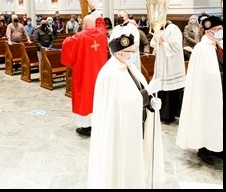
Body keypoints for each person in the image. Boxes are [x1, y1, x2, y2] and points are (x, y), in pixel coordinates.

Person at [87, 34, 165, 188]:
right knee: (122, 163)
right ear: (120, 53)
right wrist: (148, 92)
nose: (134, 54)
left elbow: (137, 91)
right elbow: (124, 104)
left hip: (135, 123)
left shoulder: (128, 66)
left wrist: (151, 102)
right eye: (131, 51)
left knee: (133, 162)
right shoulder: (110, 73)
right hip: (119, 130)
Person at [176, 15, 223, 165]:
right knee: (206, 117)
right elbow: (199, 76)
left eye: (221, 29)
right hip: (206, 93)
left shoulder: (219, 45)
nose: (219, 32)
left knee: (218, 119)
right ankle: (204, 149)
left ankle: (217, 147)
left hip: (220, 89)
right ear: (208, 31)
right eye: (215, 30)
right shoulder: (201, 49)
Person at [61, 13, 108, 137]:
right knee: (98, 97)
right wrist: (93, 10)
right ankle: (98, 123)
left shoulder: (79, 37)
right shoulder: (101, 34)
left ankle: (86, 127)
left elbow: (66, 44)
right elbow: (101, 23)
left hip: (84, 74)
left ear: (84, 24)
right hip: (99, 75)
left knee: (84, 98)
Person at [150, 20, 186, 124]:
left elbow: (177, 47)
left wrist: (162, 43)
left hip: (172, 64)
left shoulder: (173, 28)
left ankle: (170, 115)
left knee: (171, 89)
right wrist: (157, 41)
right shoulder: (159, 30)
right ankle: (162, 115)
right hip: (161, 62)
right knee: (162, 89)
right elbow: (153, 43)